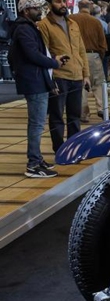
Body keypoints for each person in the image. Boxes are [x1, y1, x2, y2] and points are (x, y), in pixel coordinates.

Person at [8, 0, 67, 178]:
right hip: (34, 81)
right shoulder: (24, 29)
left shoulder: (27, 27)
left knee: (36, 123)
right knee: (36, 124)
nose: (40, 11)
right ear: (26, 11)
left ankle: (37, 159)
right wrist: (53, 63)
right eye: (36, 8)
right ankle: (33, 164)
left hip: (35, 79)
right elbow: (33, 55)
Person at [38, 0, 90, 154]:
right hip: (59, 76)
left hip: (76, 76)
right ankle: (59, 149)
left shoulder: (73, 23)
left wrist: (85, 74)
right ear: (50, 4)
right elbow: (43, 53)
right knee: (57, 116)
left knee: (75, 116)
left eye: (64, 1)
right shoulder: (44, 25)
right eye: (58, 1)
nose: (62, 4)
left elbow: (81, 50)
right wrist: (50, 78)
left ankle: (74, 148)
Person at [71, 0, 107, 122]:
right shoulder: (96, 22)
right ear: (90, 7)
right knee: (98, 84)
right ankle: (102, 108)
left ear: (78, 6)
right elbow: (103, 44)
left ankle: (84, 114)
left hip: (76, 56)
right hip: (94, 55)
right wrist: (100, 56)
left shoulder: (70, 20)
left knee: (81, 85)